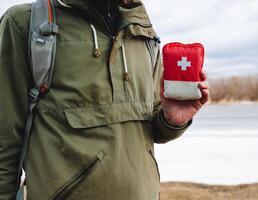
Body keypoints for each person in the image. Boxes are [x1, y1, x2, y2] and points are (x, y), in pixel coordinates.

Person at [0, 0, 209, 199]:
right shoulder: (26, 23)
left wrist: (171, 119)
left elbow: (147, 129)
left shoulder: (142, 29)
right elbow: (5, 137)